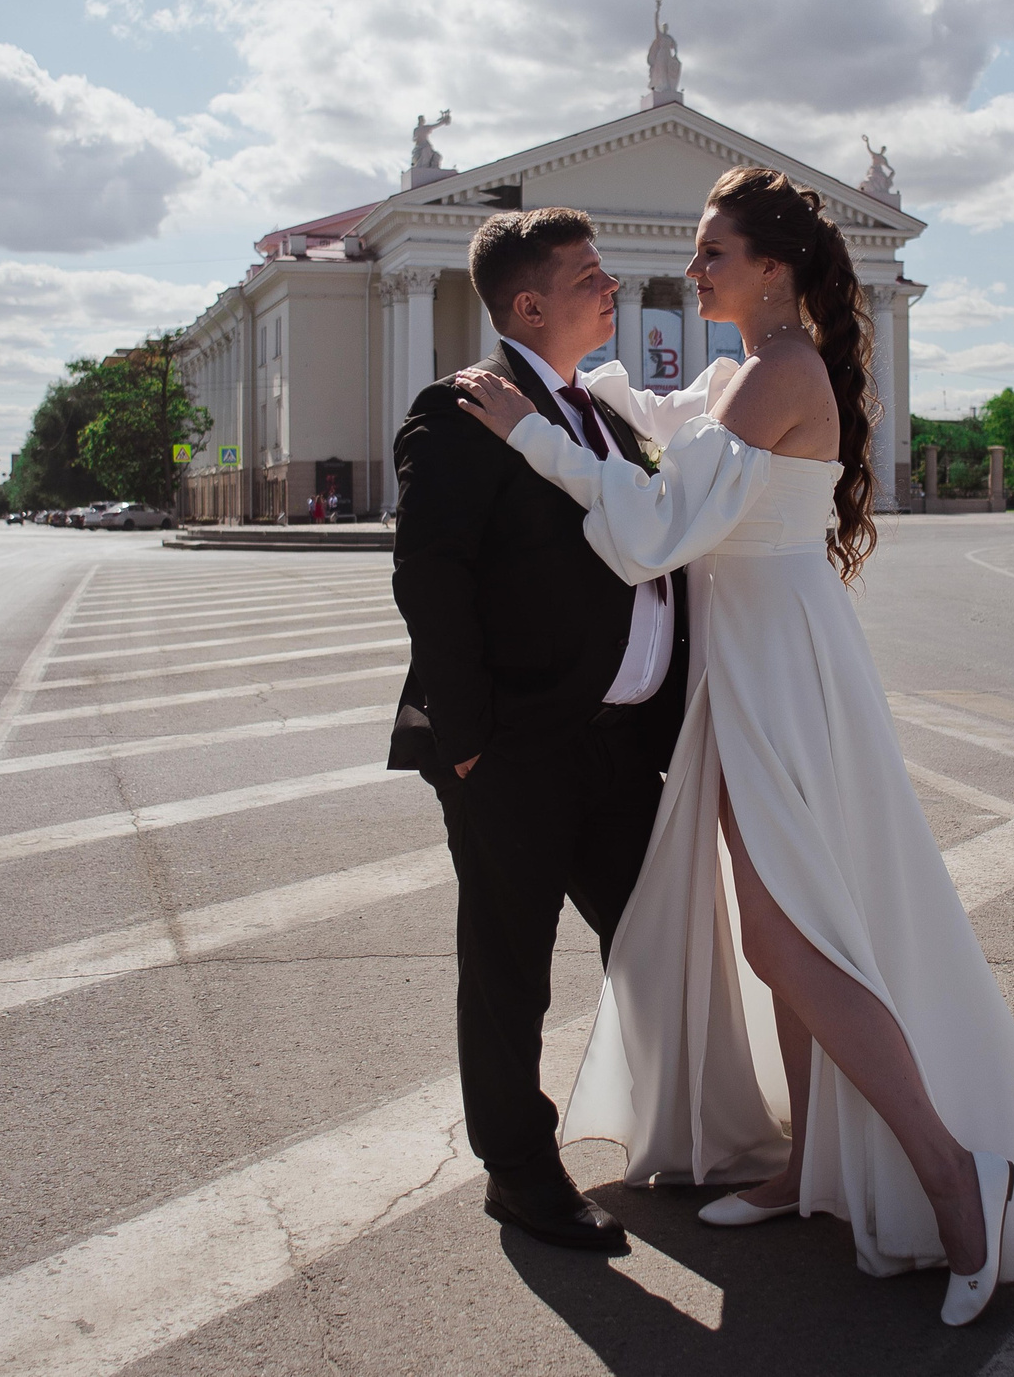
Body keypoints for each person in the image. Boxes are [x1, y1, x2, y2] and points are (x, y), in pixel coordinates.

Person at [451, 167, 1014, 1326]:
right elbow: (660, 426)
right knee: (781, 931)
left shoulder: (781, 372)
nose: (692, 269)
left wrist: (536, 438)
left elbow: (654, 529)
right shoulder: (742, 375)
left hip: (783, 675)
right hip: (751, 667)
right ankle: (808, 1167)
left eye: (712, 253)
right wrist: (574, 395)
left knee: (790, 936)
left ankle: (961, 1181)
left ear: (774, 269)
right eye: (698, 252)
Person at [387, 206, 688, 1256]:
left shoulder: (598, 411)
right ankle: (519, 1170)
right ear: (528, 303)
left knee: (657, 938)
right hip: (514, 747)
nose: (612, 288)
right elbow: (430, 576)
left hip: (617, 744)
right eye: (590, 276)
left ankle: (674, 1125)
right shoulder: (459, 410)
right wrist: (467, 740)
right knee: (512, 965)